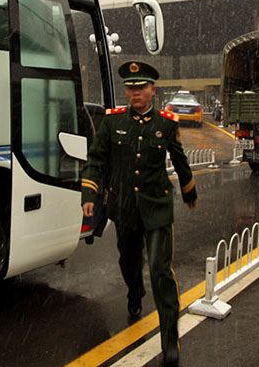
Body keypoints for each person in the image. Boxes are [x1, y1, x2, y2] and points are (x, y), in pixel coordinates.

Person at [81, 61, 197, 367]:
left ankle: (170, 343)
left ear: (152, 90)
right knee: (129, 264)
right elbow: (95, 159)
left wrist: (190, 192)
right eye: (131, 88)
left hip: (157, 208)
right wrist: (89, 193)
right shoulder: (112, 122)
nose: (135, 93)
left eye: (141, 88)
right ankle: (135, 292)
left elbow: (180, 161)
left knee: (161, 271)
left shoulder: (167, 124)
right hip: (125, 209)